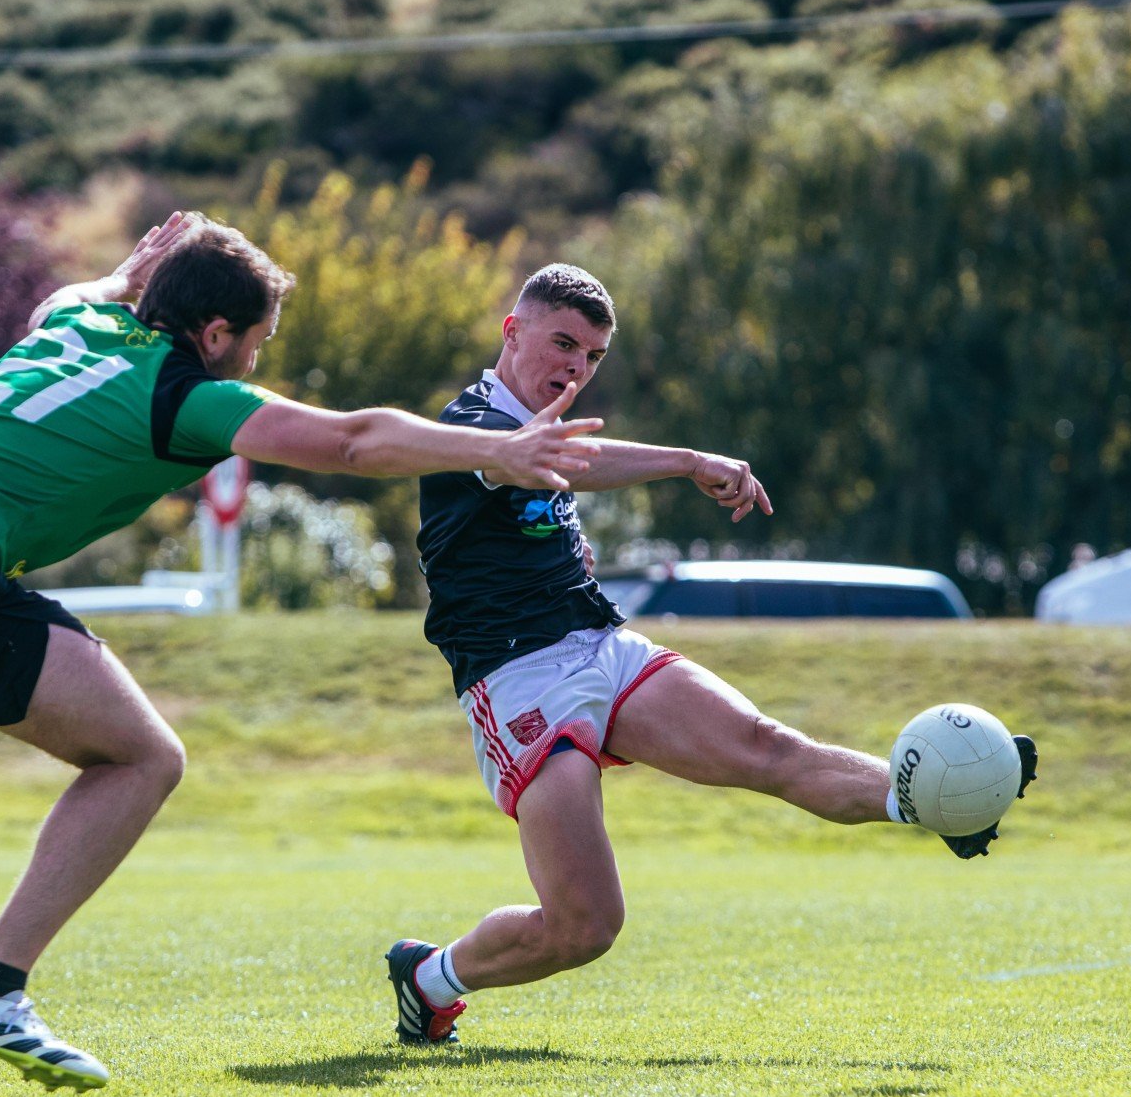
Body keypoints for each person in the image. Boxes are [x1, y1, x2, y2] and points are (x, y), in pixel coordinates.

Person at [0, 212, 602, 1090]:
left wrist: (126, 272)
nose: (256, 361)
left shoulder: (72, 324)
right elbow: (352, 442)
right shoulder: (183, 394)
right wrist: (499, 452)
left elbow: (71, 294)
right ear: (222, 333)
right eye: (259, 344)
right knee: (142, 756)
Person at [388, 264, 1038, 1045]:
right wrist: (690, 462)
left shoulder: (549, 430)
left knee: (769, 746)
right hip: (519, 679)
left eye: (592, 357)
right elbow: (536, 462)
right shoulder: (468, 429)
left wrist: (687, 463)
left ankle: (926, 799)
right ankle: (428, 978)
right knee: (586, 925)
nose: (575, 367)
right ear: (512, 330)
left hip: (602, 645)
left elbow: (567, 463)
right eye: (562, 343)